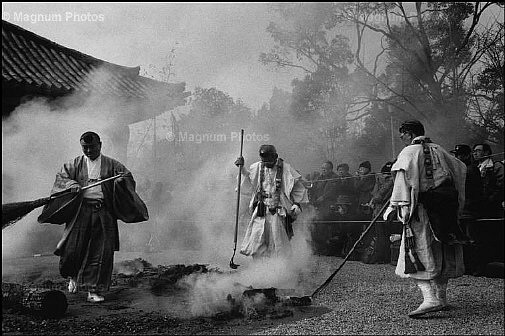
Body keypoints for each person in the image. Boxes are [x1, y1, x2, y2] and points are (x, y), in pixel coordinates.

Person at [38, 131, 148, 302]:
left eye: (92, 147)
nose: (88, 151)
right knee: (73, 249)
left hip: (103, 212)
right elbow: (61, 178)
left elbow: (127, 177)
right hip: (81, 212)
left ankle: (94, 290)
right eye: (85, 147)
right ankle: (72, 275)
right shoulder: (75, 164)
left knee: (101, 251)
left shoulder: (112, 164)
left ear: (100, 145)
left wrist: (120, 182)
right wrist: (72, 184)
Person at [384, 120, 467, 318]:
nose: (401, 138)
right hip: (445, 211)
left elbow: (402, 183)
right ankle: (442, 298)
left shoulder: (408, 152)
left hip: (420, 212)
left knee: (419, 252)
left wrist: (397, 206)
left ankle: (431, 299)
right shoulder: (440, 150)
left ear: (409, 133)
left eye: (402, 134)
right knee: (441, 249)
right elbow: (460, 169)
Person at [234, 144, 308, 259]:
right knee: (257, 236)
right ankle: (258, 266)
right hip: (261, 208)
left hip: (277, 209)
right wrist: (242, 168)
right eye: (264, 161)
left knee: (277, 239)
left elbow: (298, 186)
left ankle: (279, 267)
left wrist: (296, 203)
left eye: (269, 161)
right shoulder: (257, 167)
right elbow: (248, 180)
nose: (267, 164)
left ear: (275, 156)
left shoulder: (286, 168)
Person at [450, 144, 485, 275]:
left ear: (465, 155)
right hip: (465, 209)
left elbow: (469, 191)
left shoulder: (469, 170)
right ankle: (470, 267)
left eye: (459, 155)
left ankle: (476, 268)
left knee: (472, 239)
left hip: (470, 210)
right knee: (467, 239)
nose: (456, 157)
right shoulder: (465, 169)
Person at [472, 143, 504, 218]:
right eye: (474, 151)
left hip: (492, 206)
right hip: (477, 207)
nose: (475, 153)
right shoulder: (474, 168)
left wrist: (489, 200)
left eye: (478, 151)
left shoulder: (496, 166)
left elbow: (501, 186)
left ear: (487, 152)